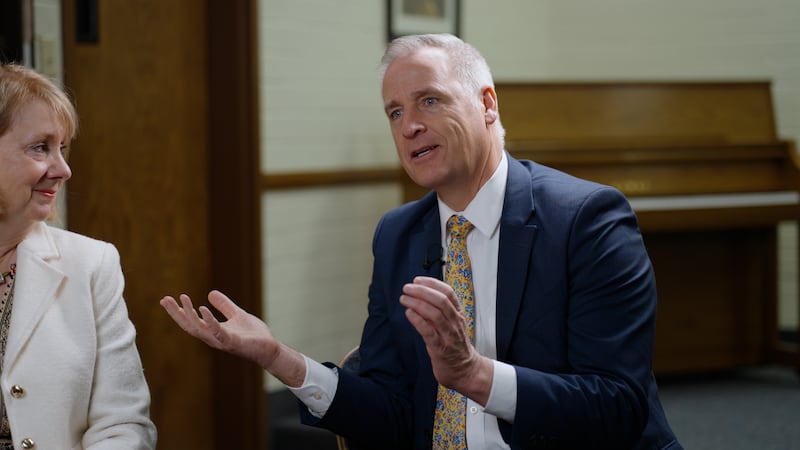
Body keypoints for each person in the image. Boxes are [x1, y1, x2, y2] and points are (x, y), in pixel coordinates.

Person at [160, 33, 681, 449]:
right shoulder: (398, 235)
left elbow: (616, 405)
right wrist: (281, 359)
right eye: (394, 112)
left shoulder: (586, 218)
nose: (409, 126)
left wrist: (474, 374)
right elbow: (393, 411)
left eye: (428, 101)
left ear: (487, 105)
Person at [0, 63, 156, 449]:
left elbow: (124, 426)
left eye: (62, 149)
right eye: (41, 147)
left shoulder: (91, 265)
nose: (63, 169)